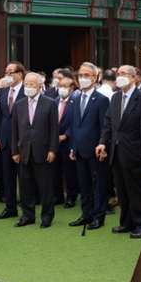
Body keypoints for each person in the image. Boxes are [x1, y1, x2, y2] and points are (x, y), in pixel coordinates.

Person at [98, 65, 141, 238]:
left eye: (123, 74)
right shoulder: (115, 97)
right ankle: (126, 222)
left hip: (136, 151)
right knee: (122, 190)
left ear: (134, 77)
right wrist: (103, 143)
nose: (119, 76)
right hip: (116, 151)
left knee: (137, 191)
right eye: (118, 74)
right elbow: (108, 123)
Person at [11, 72, 59, 228]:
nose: (28, 87)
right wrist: (15, 151)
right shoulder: (19, 104)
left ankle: (47, 216)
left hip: (43, 150)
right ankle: (27, 215)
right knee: (25, 186)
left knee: (45, 187)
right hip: (24, 150)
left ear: (40, 86)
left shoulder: (50, 103)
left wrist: (53, 149)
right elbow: (14, 130)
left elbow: (54, 129)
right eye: (26, 84)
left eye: (32, 84)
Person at [67, 62, 110, 230]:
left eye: (87, 75)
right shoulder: (76, 99)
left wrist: (103, 146)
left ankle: (98, 217)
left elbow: (104, 126)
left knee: (98, 185)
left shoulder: (101, 100)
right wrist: (72, 147)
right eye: (80, 76)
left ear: (95, 77)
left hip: (95, 150)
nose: (83, 78)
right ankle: (86, 214)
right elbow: (74, 125)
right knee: (84, 185)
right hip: (79, 150)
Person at [0, 61, 25, 219]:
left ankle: (27, 209)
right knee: (8, 176)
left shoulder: (28, 91)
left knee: (24, 176)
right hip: (5, 139)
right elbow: (0, 116)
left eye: (11, 72)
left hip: (23, 139)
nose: (8, 75)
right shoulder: (3, 92)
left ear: (20, 75)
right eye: (6, 72)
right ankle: (10, 207)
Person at [55, 76, 79, 208]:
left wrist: (65, 135)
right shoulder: (54, 101)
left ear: (71, 89)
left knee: (69, 171)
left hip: (68, 141)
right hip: (54, 141)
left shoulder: (75, 102)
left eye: (65, 86)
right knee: (55, 170)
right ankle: (58, 196)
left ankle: (71, 197)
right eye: (60, 86)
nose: (62, 89)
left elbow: (75, 122)